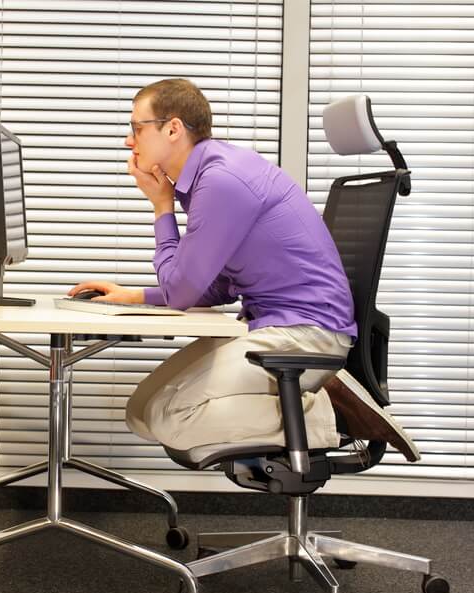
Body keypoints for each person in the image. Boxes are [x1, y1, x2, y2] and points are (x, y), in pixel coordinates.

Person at [68, 78, 417, 461]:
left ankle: (328, 416)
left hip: (307, 335)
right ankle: (303, 409)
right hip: (271, 325)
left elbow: (183, 292)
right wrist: (136, 296)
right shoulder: (208, 177)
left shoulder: (222, 180)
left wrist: (161, 206)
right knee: (141, 411)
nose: (128, 141)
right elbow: (213, 287)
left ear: (172, 129)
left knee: (169, 417)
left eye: (136, 128)